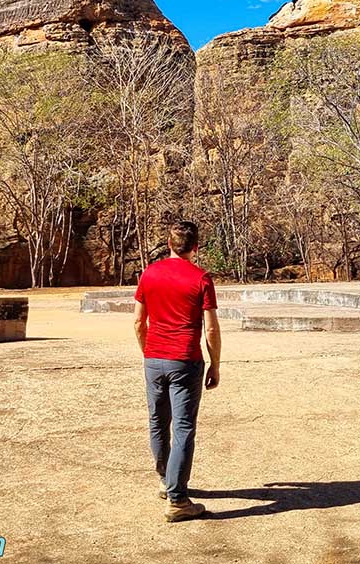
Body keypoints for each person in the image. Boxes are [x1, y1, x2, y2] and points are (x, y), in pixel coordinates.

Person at [133, 221, 221, 522]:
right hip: (185, 359)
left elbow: (137, 322)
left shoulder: (149, 273)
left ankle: (165, 480)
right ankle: (178, 500)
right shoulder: (201, 279)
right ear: (195, 247)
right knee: (183, 427)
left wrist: (149, 351)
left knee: (158, 421)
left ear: (169, 245)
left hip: (154, 358)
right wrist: (215, 364)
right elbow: (210, 328)